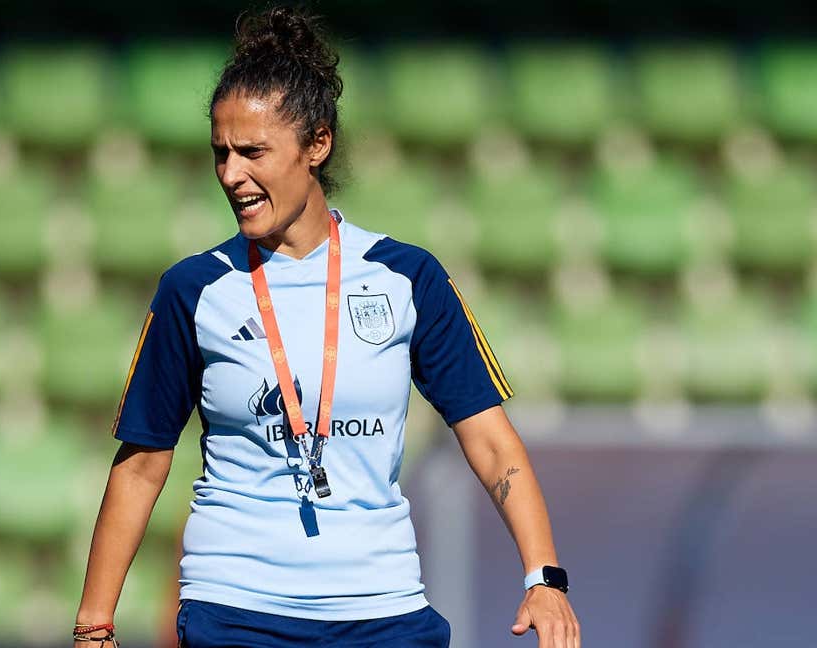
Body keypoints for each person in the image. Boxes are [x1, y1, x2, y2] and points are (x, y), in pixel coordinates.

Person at [74, 7, 580, 648]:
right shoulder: (193, 289)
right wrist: (94, 629)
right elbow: (142, 464)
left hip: (383, 608)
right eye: (220, 154)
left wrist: (545, 578)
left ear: (317, 144)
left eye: (253, 152)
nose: (231, 174)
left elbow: (490, 442)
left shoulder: (408, 278)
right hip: (235, 610)